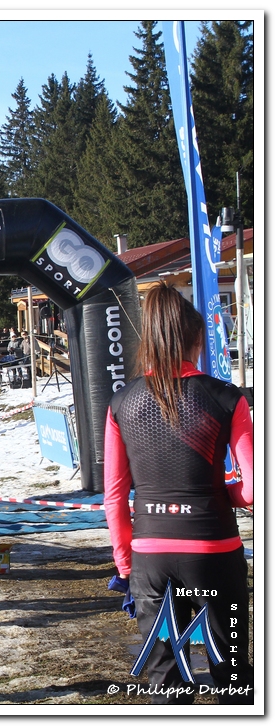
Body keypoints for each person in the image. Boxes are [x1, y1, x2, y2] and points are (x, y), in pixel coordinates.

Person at [104, 282, 253, 705]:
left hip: (151, 557)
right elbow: (254, 488)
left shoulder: (121, 402)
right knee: (232, 672)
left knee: (166, 679)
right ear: (197, 339)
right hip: (213, 551)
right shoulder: (227, 398)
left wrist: (126, 565)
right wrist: (220, 492)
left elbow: (114, 497)